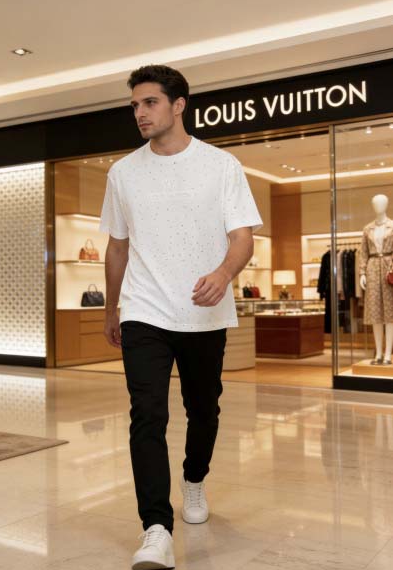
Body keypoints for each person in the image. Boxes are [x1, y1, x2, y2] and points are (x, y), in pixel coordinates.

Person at [99, 64, 262, 570]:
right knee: (147, 414)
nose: (140, 113)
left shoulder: (221, 165)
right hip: (144, 309)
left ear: (178, 105)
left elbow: (243, 238)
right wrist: (111, 307)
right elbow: (117, 246)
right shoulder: (123, 172)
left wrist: (224, 274)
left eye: (149, 102)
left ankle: (194, 479)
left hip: (202, 311)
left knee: (203, 409)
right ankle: (155, 528)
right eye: (134, 105)